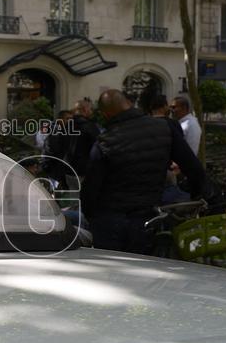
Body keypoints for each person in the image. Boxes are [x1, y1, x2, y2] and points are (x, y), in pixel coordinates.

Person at [80, 90, 206, 253]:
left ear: (106, 114)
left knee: (112, 272)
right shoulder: (164, 128)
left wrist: (91, 216)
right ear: (129, 104)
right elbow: (194, 168)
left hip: (111, 219)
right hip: (146, 216)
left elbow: (91, 188)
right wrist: (195, 193)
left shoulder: (106, 141)